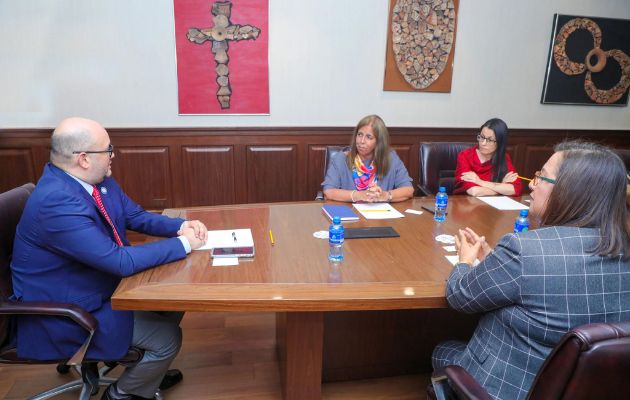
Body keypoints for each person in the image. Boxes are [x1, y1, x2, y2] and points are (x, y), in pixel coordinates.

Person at [10, 117, 208, 400]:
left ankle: (145, 373)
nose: (113, 154)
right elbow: (118, 261)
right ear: (84, 159)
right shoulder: (56, 202)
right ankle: (122, 393)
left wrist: (180, 227)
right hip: (67, 310)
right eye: (108, 149)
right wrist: (183, 244)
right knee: (167, 340)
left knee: (173, 299)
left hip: (97, 285)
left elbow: (135, 216)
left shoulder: (96, 181)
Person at [432, 141, 630, 400]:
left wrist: (465, 262)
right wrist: (496, 260)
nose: (531, 185)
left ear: (569, 191)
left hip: (505, 388)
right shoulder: (623, 249)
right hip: (591, 389)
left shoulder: (525, 249)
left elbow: (459, 296)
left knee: (441, 349)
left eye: (541, 177)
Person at [322, 114, 414, 203]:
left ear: (379, 142)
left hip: (381, 216)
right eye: (360, 135)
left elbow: (408, 190)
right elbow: (328, 192)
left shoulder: (391, 158)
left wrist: (384, 196)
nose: (361, 141)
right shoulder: (341, 159)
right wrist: (359, 195)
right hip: (350, 214)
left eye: (369, 137)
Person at [454, 118, 522, 196]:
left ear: (500, 142)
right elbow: (474, 191)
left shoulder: (504, 158)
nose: (483, 143)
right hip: (466, 204)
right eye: (482, 137)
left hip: (493, 205)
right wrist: (501, 186)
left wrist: (480, 182)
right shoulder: (465, 156)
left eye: (489, 140)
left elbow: (516, 189)